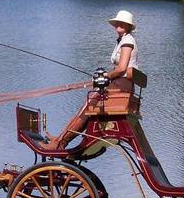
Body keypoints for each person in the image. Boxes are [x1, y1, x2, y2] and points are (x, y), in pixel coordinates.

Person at [39, 10, 139, 150]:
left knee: (86, 108)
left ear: (128, 26)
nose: (118, 25)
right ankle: (60, 139)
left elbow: (122, 69)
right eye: (117, 22)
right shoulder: (124, 40)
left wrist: (105, 77)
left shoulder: (127, 41)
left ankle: (60, 143)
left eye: (123, 23)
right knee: (86, 108)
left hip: (121, 86)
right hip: (120, 85)